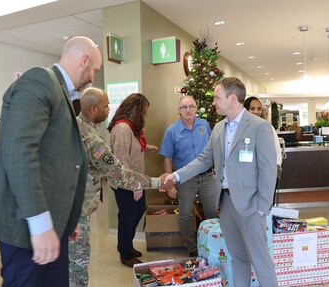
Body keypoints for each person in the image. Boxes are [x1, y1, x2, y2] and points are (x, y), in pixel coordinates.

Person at [0, 36, 102, 286]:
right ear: (84, 60)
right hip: (27, 225)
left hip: (51, 224)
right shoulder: (40, 80)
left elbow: (53, 160)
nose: (92, 77)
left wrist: (66, 219)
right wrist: (41, 224)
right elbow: (19, 151)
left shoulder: (60, 92)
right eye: (94, 69)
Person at [165, 77, 278, 286]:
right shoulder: (217, 128)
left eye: (217, 98)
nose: (214, 102)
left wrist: (262, 208)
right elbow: (203, 160)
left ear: (232, 98)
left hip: (251, 206)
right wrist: (177, 175)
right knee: (238, 257)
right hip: (226, 204)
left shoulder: (258, 127)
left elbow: (268, 170)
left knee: (261, 261)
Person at [69, 88, 171, 285]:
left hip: (73, 204)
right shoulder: (94, 137)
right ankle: (124, 251)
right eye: (105, 106)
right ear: (92, 108)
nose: (109, 110)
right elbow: (119, 170)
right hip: (78, 208)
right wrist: (158, 182)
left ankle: (126, 248)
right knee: (77, 264)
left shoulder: (76, 126)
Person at [159, 95, 217, 257]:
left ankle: (214, 243)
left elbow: (213, 149)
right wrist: (170, 184)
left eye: (191, 106)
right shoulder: (172, 131)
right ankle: (192, 249)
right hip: (185, 179)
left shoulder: (204, 125)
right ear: (179, 110)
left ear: (196, 108)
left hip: (206, 177)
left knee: (212, 211)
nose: (188, 110)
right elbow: (167, 158)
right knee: (185, 214)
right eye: (184, 107)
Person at [107, 93, 159, 267]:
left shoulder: (130, 128)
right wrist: (135, 186)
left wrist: (147, 147)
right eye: (143, 112)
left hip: (135, 181)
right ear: (135, 109)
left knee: (137, 212)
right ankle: (125, 253)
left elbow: (131, 149)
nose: (144, 115)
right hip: (126, 184)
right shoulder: (122, 128)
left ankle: (126, 244)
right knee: (128, 217)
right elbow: (122, 162)